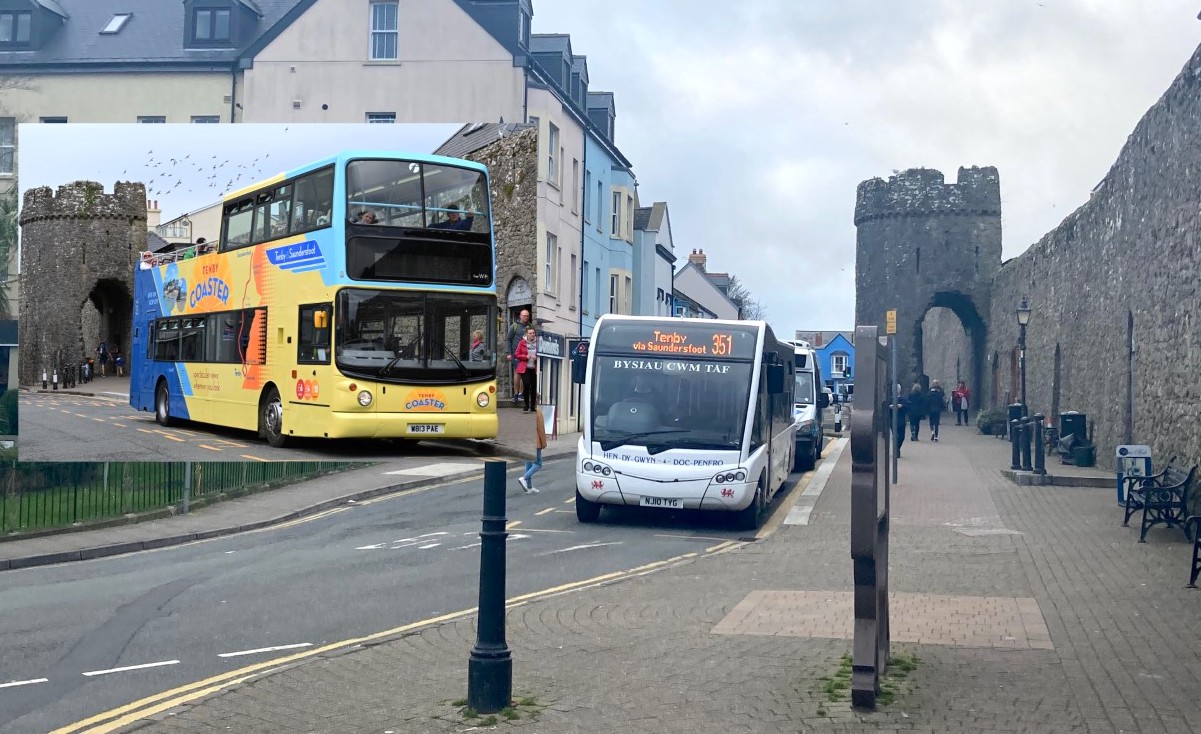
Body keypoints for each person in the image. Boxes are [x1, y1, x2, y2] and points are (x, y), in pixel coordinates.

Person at [518, 395, 546, 494]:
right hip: (535, 441)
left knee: (528, 464)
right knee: (538, 463)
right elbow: (541, 430)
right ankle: (524, 478)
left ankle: (529, 487)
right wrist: (544, 443)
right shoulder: (538, 413)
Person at [506, 309, 531, 403]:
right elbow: (508, 339)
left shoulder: (530, 326)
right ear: (520, 316)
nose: (526, 317)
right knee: (518, 372)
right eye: (524, 315)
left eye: (527, 316)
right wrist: (508, 353)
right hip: (516, 353)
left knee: (524, 373)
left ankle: (521, 393)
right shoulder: (514, 326)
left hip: (526, 354)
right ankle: (516, 393)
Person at [513, 327, 538, 412]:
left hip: (534, 368)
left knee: (534, 387)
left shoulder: (538, 343)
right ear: (526, 334)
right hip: (525, 368)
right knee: (526, 385)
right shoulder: (522, 342)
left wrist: (537, 358)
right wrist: (525, 357)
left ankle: (533, 406)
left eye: (533, 333)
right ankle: (526, 405)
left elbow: (541, 354)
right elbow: (516, 354)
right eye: (530, 333)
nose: (532, 335)